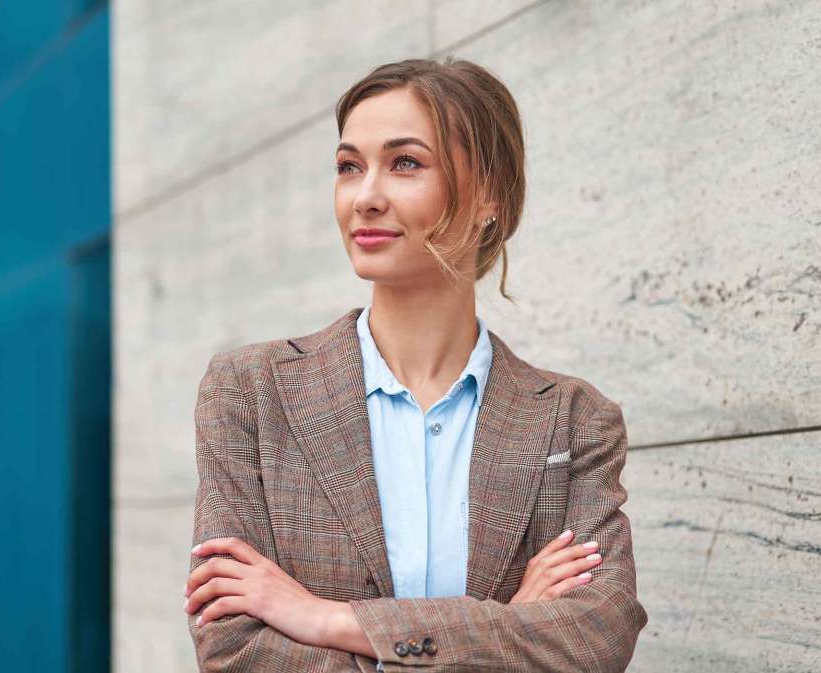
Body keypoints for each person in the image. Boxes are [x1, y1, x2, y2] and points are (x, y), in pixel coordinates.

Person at [183, 57, 648, 672]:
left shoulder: (573, 423)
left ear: (488, 194)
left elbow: (594, 642)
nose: (366, 197)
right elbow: (234, 648)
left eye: (405, 163)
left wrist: (325, 618)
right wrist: (504, 625)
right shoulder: (251, 392)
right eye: (349, 167)